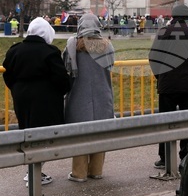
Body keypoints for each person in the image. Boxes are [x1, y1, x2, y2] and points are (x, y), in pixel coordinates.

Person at [2, 17, 73, 186]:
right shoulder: (49, 51)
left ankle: (32, 171)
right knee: (44, 136)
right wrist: (62, 90)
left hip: (21, 97)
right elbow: (61, 79)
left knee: (28, 132)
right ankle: (34, 173)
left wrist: (17, 88)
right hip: (45, 100)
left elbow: (7, 73)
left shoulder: (15, 50)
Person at [149, 4, 188, 167]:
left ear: (173, 16)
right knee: (187, 122)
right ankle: (186, 156)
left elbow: (153, 58)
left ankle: (164, 158)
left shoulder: (163, 33)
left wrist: (160, 76)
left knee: (166, 121)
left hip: (168, 84)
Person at [63, 13, 115, 181]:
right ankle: (96, 171)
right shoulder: (107, 47)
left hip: (79, 97)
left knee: (81, 136)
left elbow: (66, 68)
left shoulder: (73, 47)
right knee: (99, 134)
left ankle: (79, 174)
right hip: (103, 95)